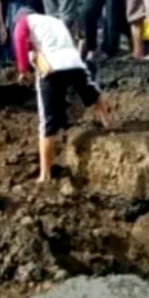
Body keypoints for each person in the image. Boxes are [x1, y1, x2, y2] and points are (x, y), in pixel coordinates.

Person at [12, 10, 111, 182]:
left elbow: (20, 40)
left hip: (52, 68)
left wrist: (22, 70)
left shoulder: (24, 22)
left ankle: (45, 175)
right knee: (92, 92)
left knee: (47, 123)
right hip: (74, 63)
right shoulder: (54, 21)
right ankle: (108, 123)